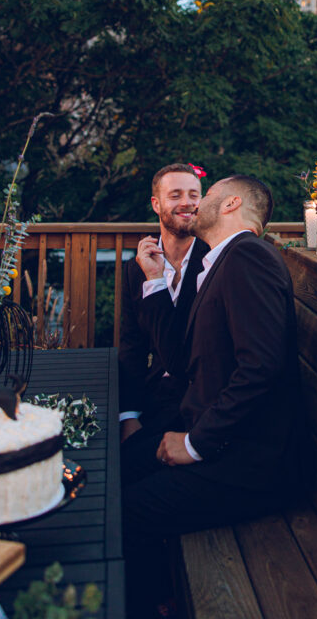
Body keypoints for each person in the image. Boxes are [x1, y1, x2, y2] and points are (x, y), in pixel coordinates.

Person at [121, 175, 307, 619]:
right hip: (208, 427)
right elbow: (183, 361)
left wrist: (193, 444)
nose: (196, 203)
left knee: (129, 513)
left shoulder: (248, 258)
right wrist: (152, 281)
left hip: (253, 462)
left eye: (206, 194)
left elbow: (260, 369)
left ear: (231, 204)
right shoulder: (223, 263)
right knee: (121, 464)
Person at [118, 163, 209, 449]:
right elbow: (131, 346)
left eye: (194, 195)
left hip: (201, 402)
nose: (187, 203)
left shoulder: (214, 261)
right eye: (176, 195)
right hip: (155, 396)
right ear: (156, 204)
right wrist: (128, 416)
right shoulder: (136, 269)